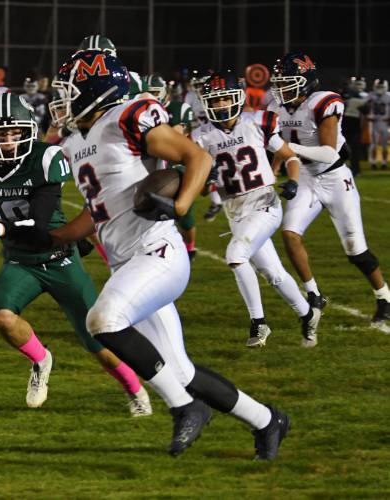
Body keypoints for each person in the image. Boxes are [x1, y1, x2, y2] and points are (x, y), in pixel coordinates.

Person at [43, 50, 290, 459]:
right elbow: (98, 211)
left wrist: (178, 207)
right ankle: (267, 419)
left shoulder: (127, 116)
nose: (65, 101)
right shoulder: (76, 142)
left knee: (102, 320)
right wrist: (54, 238)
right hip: (126, 261)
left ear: (95, 88)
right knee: (180, 371)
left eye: (70, 91)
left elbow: (199, 157)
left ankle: (185, 408)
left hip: (157, 250)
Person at [0, 93, 152, 417]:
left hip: (58, 257)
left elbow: (39, 228)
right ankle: (41, 359)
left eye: (14, 133)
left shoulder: (45, 159)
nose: (8, 141)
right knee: (2, 316)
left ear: (29, 131)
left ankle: (135, 390)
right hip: (19, 261)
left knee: (99, 342)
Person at [194, 70, 321, 347]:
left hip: (264, 203)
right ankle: (307, 313)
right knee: (273, 274)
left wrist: (293, 182)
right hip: (235, 211)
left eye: (224, 99)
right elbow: (202, 187)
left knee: (236, 255)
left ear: (237, 98)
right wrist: (207, 179)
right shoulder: (202, 137)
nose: (219, 106)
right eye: (214, 101)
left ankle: (259, 323)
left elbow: (288, 156)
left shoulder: (256, 122)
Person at [268, 52, 390, 323]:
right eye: (278, 82)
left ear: (304, 81)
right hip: (307, 179)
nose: (279, 88)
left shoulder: (322, 102)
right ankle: (313, 293)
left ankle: (384, 296)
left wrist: (288, 149)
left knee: (355, 249)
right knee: (289, 233)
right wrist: (272, 172)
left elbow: (327, 153)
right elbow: (279, 147)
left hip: (335, 178)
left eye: (286, 82)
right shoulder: (277, 109)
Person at [140, 74, 199, 260]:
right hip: (155, 170)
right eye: (147, 93)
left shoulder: (176, 109)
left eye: (155, 93)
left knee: (185, 216)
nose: (151, 98)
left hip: (176, 166)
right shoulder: (138, 115)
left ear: (164, 94)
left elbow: (177, 137)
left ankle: (190, 248)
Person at [341, 77, 368, 176]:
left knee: (354, 149)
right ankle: (349, 170)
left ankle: (355, 170)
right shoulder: (342, 94)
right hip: (345, 124)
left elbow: (365, 111)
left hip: (352, 125)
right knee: (343, 149)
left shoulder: (359, 96)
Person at [365, 79, 390, 170]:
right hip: (373, 122)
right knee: (373, 144)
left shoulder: (388, 96)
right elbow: (364, 108)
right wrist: (367, 115)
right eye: (378, 87)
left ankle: (384, 162)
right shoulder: (370, 95)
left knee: (384, 144)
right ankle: (373, 162)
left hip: (384, 122)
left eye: (381, 87)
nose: (379, 89)